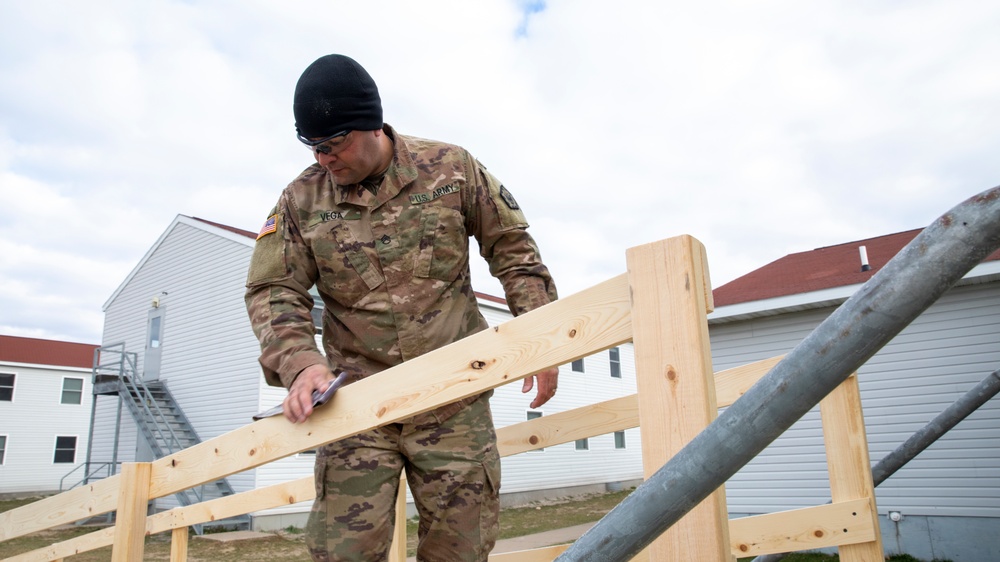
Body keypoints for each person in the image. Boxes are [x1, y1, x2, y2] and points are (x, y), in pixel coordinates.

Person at [245, 54, 558, 562]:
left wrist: (540, 338)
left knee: (460, 551)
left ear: (372, 124)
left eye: (334, 143)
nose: (325, 158)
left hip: (454, 396)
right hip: (358, 407)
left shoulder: (452, 169)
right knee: (343, 553)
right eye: (313, 147)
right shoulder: (301, 200)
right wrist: (301, 363)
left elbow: (512, 248)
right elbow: (273, 289)